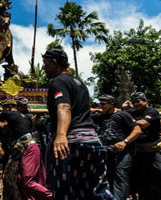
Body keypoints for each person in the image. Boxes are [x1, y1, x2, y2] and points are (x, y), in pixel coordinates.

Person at [42, 49, 113, 199]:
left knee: (65, 192)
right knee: (96, 191)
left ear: (54, 63)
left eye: (45, 63)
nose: (43, 67)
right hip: (93, 142)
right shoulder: (79, 83)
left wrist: (61, 135)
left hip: (71, 143)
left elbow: (64, 106)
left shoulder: (58, 82)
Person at [0, 99, 52, 200]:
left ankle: (52, 196)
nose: (3, 110)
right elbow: (5, 126)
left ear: (9, 107)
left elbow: (2, 125)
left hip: (28, 148)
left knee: (26, 181)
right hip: (30, 148)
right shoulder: (25, 117)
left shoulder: (9, 114)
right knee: (20, 179)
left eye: (4, 108)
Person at [91, 94, 142, 200]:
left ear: (111, 104)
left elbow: (137, 130)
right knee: (108, 175)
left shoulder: (123, 115)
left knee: (121, 174)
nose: (101, 106)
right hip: (107, 151)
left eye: (104, 104)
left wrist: (125, 142)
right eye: (100, 104)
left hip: (123, 150)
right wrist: (93, 110)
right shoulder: (99, 117)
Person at [128, 92, 161, 200]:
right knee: (141, 178)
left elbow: (143, 123)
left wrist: (128, 122)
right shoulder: (131, 113)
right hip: (139, 152)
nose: (136, 104)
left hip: (156, 150)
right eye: (133, 102)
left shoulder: (152, 111)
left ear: (145, 101)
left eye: (138, 101)